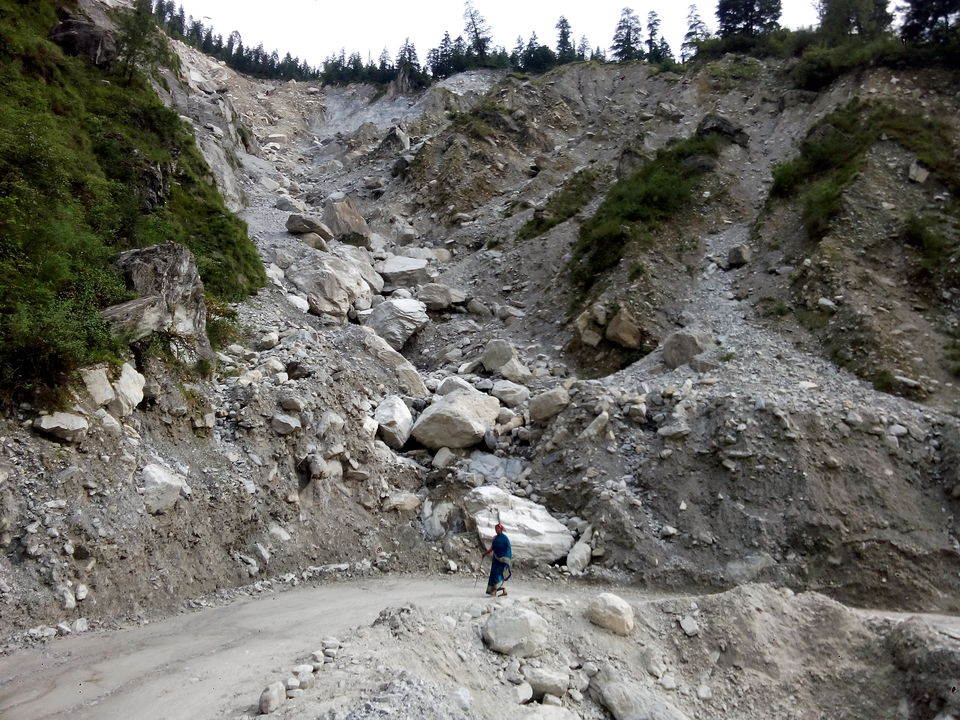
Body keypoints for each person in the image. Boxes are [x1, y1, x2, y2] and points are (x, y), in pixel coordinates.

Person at [482, 522, 512, 597]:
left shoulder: (505, 538)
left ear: (501, 529)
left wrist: (506, 557)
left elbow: (508, 548)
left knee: (498, 575)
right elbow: (492, 548)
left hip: (502, 560)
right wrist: (485, 553)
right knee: (494, 575)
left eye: (497, 529)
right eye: (495, 529)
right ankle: (499, 591)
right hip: (496, 560)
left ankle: (497, 590)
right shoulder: (495, 538)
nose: (496, 530)